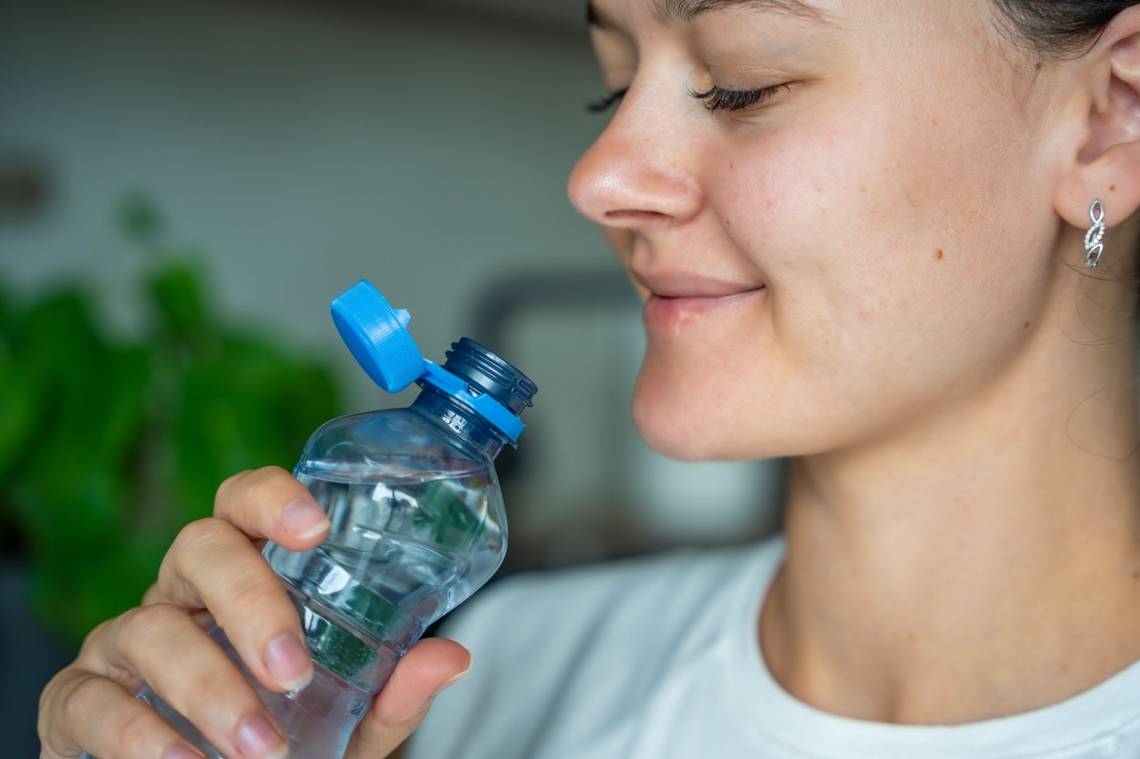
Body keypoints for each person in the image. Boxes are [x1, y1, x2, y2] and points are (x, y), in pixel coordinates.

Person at [37, 0, 1140, 757]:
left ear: (1110, 121)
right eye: (611, 87)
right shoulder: (487, 683)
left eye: (744, 83)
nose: (599, 176)